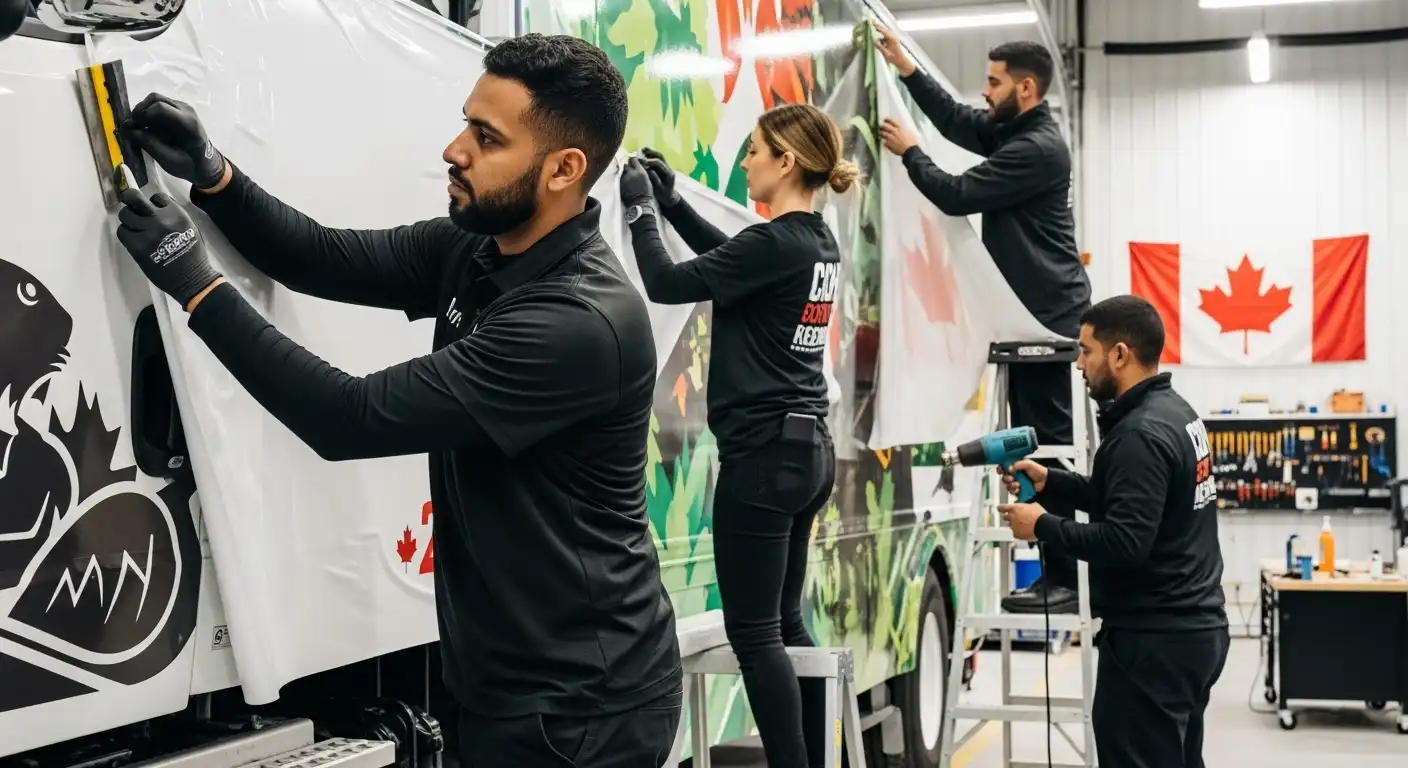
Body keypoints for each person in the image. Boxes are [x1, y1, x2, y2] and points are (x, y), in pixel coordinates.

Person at [112, 33, 683, 768]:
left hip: (583, 708)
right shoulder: (479, 249)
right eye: (465, 123)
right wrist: (214, 174)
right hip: (507, 685)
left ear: (563, 169)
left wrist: (194, 280)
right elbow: (316, 255)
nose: (455, 149)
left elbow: (345, 418)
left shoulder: (578, 321)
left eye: (486, 137)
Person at [616, 103, 857, 768]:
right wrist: (672, 202)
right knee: (784, 625)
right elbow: (732, 261)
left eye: (755, 150)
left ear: (787, 162)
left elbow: (666, 283)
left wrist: (640, 210)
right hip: (810, 453)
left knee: (752, 634)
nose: (745, 160)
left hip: (763, 458)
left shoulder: (777, 243)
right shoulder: (814, 243)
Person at [873, 25, 1092, 614]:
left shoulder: (1037, 149)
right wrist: (908, 68)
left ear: (1025, 88)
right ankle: (1053, 570)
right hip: (1022, 318)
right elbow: (962, 123)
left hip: (1046, 320)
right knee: (1029, 446)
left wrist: (909, 152)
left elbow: (954, 191)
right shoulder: (1013, 129)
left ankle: (1064, 578)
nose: (983, 90)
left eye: (994, 83)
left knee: (1046, 453)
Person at [996, 295, 1230, 768]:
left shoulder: (1138, 436)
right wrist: (1052, 481)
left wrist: (1041, 524)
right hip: (1192, 632)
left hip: (1154, 641)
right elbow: (1133, 502)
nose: (1079, 365)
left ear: (1120, 354)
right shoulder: (1176, 413)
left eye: (1086, 351)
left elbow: (1125, 543)